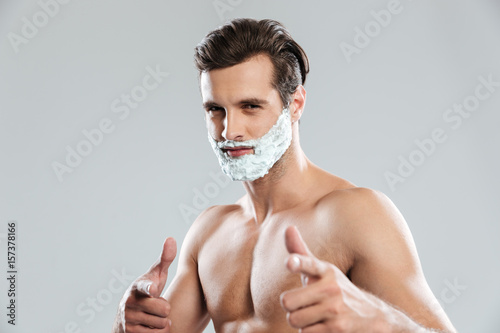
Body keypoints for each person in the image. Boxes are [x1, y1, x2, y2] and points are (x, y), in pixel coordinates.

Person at [112, 18, 457, 333]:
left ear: (295, 104)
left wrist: (377, 322)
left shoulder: (356, 215)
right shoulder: (210, 230)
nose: (230, 131)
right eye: (215, 110)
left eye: (250, 106)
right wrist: (126, 324)